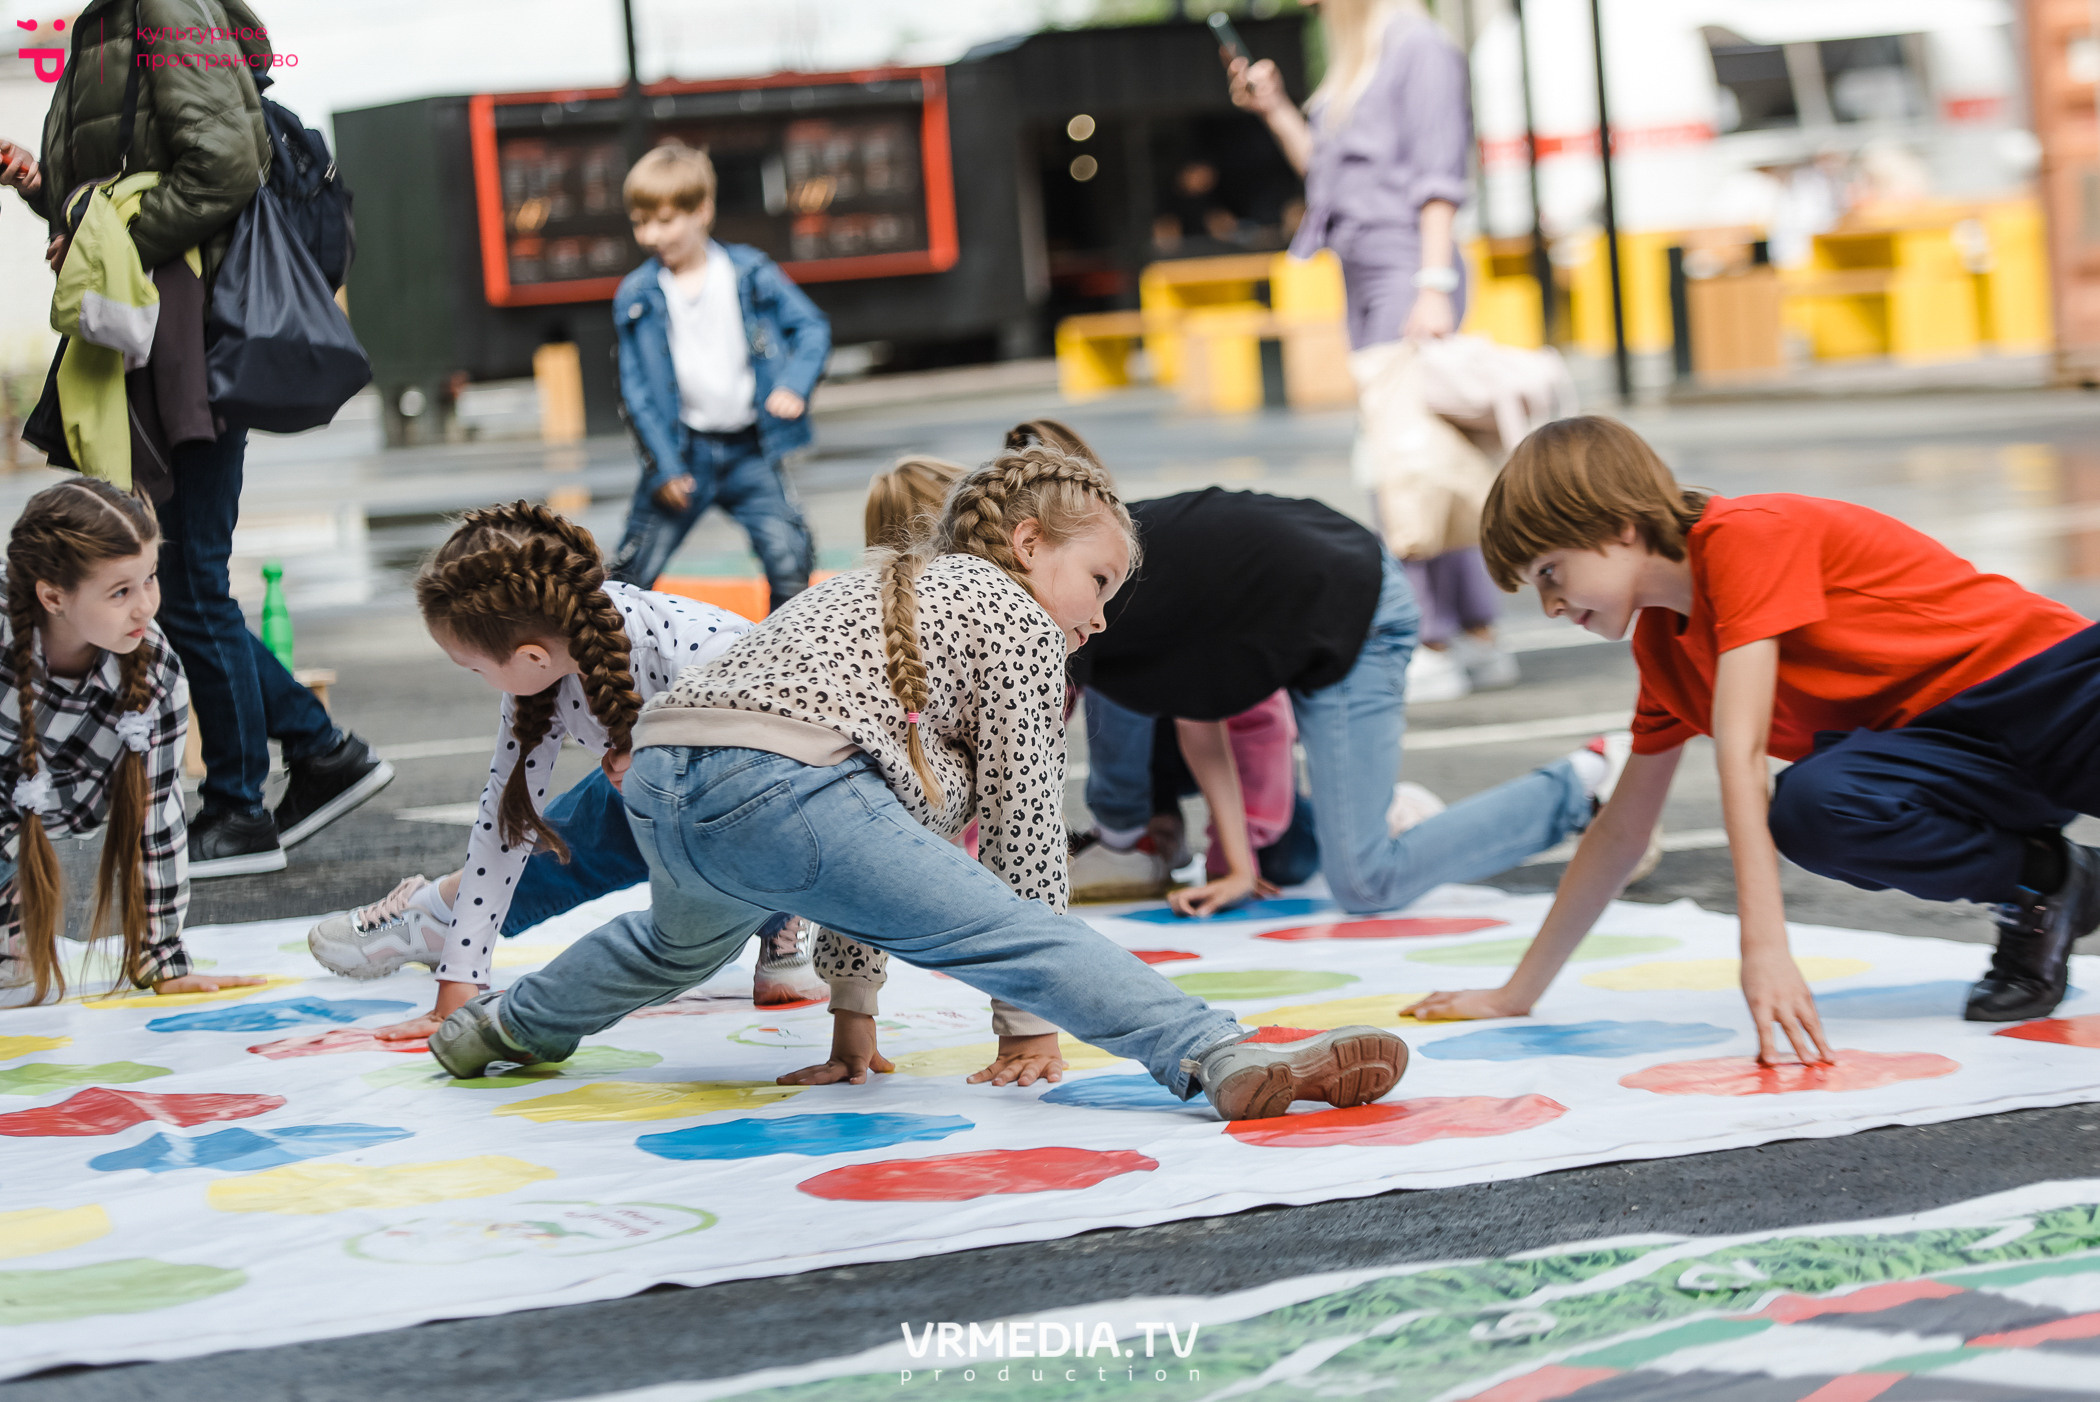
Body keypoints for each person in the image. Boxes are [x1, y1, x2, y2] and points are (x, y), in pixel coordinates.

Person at [424, 436, 1411, 1121]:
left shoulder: (887, 591)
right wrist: (1024, 1024)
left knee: (663, 949)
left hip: (665, 776)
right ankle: (1221, 1053)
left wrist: (853, 1025)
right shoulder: (1015, 617)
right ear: (1029, 547)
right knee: (1012, 926)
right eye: (1100, 582)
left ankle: (496, 1027)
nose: (1102, 618)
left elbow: (854, 855)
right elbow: (1023, 849)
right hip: (772, 782)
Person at [1413, 417, 2100, 1060]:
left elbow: (1741, 755)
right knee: (1816, 807)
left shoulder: (1746, 536)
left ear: (1619, 526)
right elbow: (1621, 831)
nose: (1551, 606)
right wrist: (1516, 993)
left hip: (2052, 692)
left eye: (1550, 574)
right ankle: (2047, 883)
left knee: (1790, 791)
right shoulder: (1665, 653)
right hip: (1953, 755)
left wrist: (1765, 947)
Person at [1, 10, 394, 880]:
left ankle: (241, 807)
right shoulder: (104, 24)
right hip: (150, 330)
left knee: (184, 579)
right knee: (175, 582)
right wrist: (41, 188)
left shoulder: (169, 11)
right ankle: (321, 752)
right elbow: (102, 192)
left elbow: (222, 168)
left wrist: (112, 249)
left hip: (194, 329)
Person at [305, 501, 824, 1039]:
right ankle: (438, 915)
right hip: (657, 804)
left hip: (771, 801)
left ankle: (783, 920)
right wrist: (458, 987)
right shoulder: (542, 675)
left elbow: (813, 775)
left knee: (685, 939)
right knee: (574, 837)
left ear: (530, 656)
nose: (479, 680)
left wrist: (666, 763)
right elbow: (500, 827)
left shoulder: (698, 649)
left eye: (475, 668)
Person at [1229, 0, 1517, 701]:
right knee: (1427, 458)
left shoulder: (1417, 46)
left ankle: (1430, 638)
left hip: (1406, 272)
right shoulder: (1361, 52)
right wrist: (1276, 111)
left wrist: (1431, 285)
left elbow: (1440, 178)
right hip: (1373, 271)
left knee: (1400, 463)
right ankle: (1472, 631)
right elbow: (1330, 180)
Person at [1, 479, 263, 1007]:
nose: (146, 606)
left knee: (18, 988)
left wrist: (161, 957)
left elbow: (156, 817)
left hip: (53, 806)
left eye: (150, 578)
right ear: (52, 596)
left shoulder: (157, 670)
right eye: (121, 592)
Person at [606, 143, 830, 609]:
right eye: (640, 222)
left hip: (751, 449)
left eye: (664, 221)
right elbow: (637, 393)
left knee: (790, 560)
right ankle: (611, 673)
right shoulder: (638, 294)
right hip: (683, 453)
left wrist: (794, 383)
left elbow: (811, 327)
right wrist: (665, 467)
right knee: (631, 574)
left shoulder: (750, 272)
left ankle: (783, 665)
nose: (651, 235)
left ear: (702, 210)